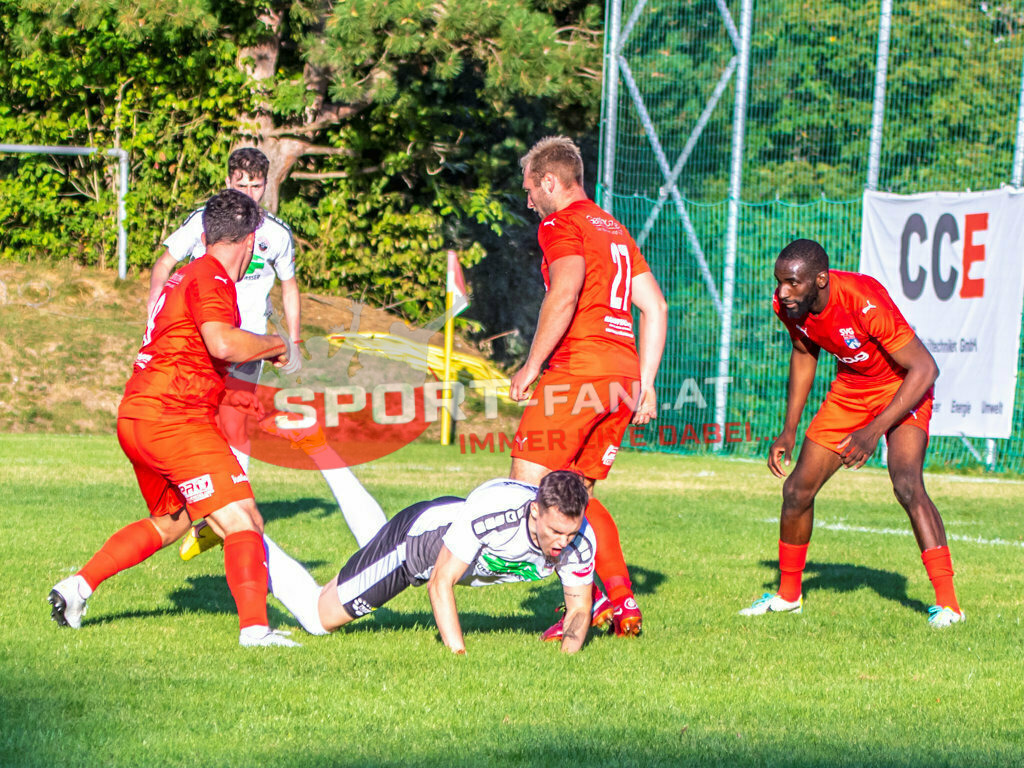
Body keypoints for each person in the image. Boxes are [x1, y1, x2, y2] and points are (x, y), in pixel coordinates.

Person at [48, 189, 302, 647]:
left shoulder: (184, 275)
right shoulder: (213, 279)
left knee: (177, 520)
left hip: (138, 415)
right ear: (249, 243)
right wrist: (278, 344)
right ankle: (256, 632)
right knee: (244, 519)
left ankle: (77, 588)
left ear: (206, 234)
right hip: (174, 419)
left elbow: (198, 351)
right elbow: (222, 343)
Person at [149, 147, 386, 550]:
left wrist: (291, 341)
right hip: (203, 339)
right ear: (228, 183)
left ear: (266, 186)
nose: (248, 192)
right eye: (240, 184)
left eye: (255, 185)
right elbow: (163, 265)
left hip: (247, 342)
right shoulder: (204, 223)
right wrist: (154, 319)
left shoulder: (275, 233)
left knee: (235, 422)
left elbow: (289, 285)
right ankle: (199, 502)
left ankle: (221, 506)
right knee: (194, 421)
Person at [740, 238, 963, 628]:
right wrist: (788, 430)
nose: (782, 292)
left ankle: (949, 606)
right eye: (779, 282)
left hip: (902, 386)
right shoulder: (789, 307)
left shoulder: (862, 298)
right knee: (796, 490)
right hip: (852, 390)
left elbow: (925, 368)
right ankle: (788, 596)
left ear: (821, 280)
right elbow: (805, 353)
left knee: (907, 484)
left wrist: (873, 431)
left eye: (792, 283)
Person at [507, 136, 668, 639]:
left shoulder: (562, 223)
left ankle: (587, 599)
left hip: (579, 370)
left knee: (528, 492)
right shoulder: (614, 228)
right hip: (621, 375)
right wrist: (647, 383)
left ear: (551, 182)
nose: (529, 201)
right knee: (577, 497)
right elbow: (657, 307)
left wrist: (532, 364)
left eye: (532, 189)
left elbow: (567, 287)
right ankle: (622, 601)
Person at [262, 471, 599, 654]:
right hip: (416, 544)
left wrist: (566, 660)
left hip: (448, 527)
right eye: (555, 531)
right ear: (535, 510)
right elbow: (440, 583)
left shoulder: (579, 538)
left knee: (367, 551)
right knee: (319, 619)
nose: (562, 543)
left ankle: (317, 451)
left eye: (570, 533)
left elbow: (580, 608)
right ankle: (245, 533)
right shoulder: (497, 511)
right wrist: (458, 658)